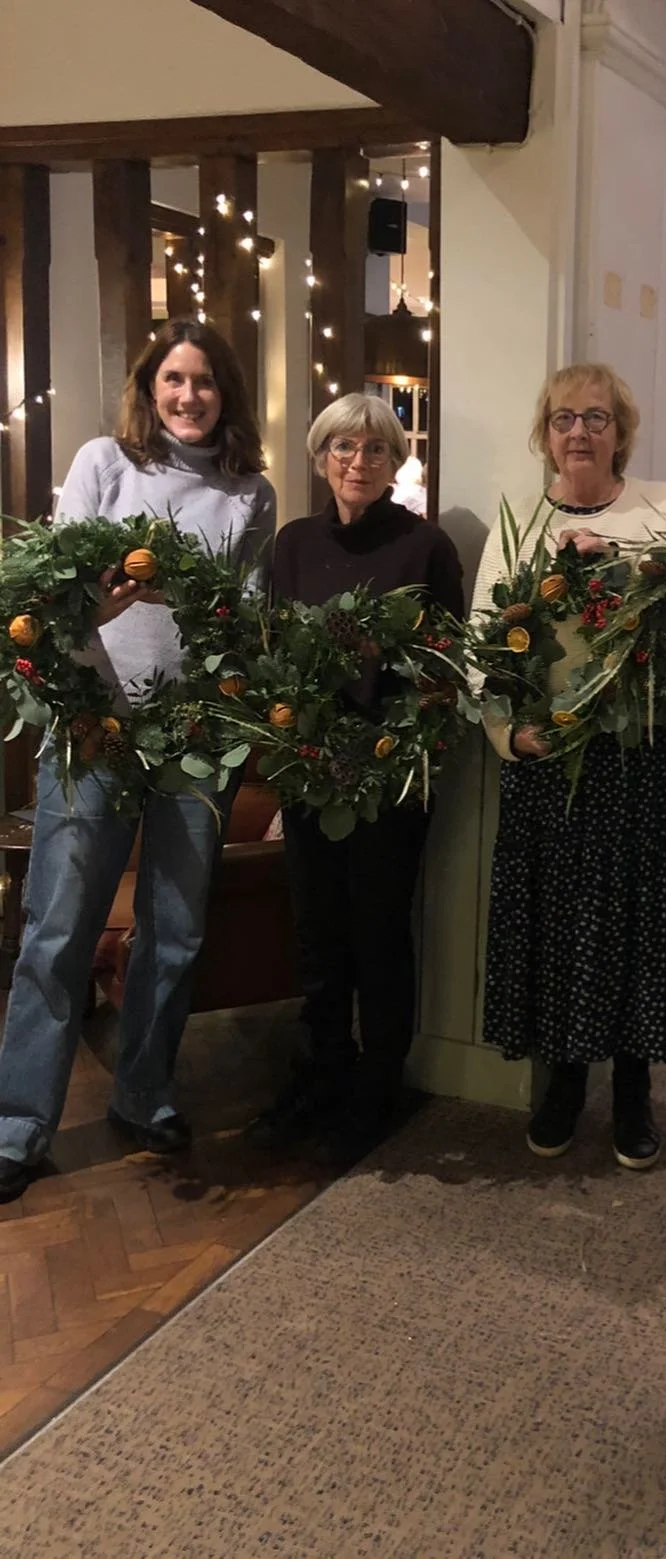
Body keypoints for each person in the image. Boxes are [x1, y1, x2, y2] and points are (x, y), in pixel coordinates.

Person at [0, 320, 276, 1202]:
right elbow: (53, 591)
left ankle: (144, 1091)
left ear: (225, 391)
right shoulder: (103, 464)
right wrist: (99, 631)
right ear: (149, 388)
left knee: (175, 929)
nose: (188, 395)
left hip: (194, 741)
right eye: (172, 379)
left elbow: (247, 622)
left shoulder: (250, 493)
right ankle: (18, 1123)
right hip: (96, 734)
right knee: (57, 929)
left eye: (203, 380)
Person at [470, 363, 666, 1169]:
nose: (580, 432)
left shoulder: (661, 508)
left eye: (597, 418)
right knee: (559, 923)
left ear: (621, 432)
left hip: (636, 759)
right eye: (565, 417)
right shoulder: (519, 522)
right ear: (545, 432)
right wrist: (511, 736)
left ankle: (634, 1091)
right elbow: (482, 646)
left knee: (635, 923)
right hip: (548, 756)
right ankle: (565, 1083)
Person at [246, 393, 463, 1165]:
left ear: (396, 460)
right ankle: (321, 1073)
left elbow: (444, 670)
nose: (358, 462)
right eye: (343, 448)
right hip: (310, 772)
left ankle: (377, 1089)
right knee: (318, 936)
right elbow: (272, 653)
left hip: (387, 779)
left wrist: (398, 747)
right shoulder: (294, 545)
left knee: (378, 934)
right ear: (320, 456)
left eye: (374, 449)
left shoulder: (425, 547)